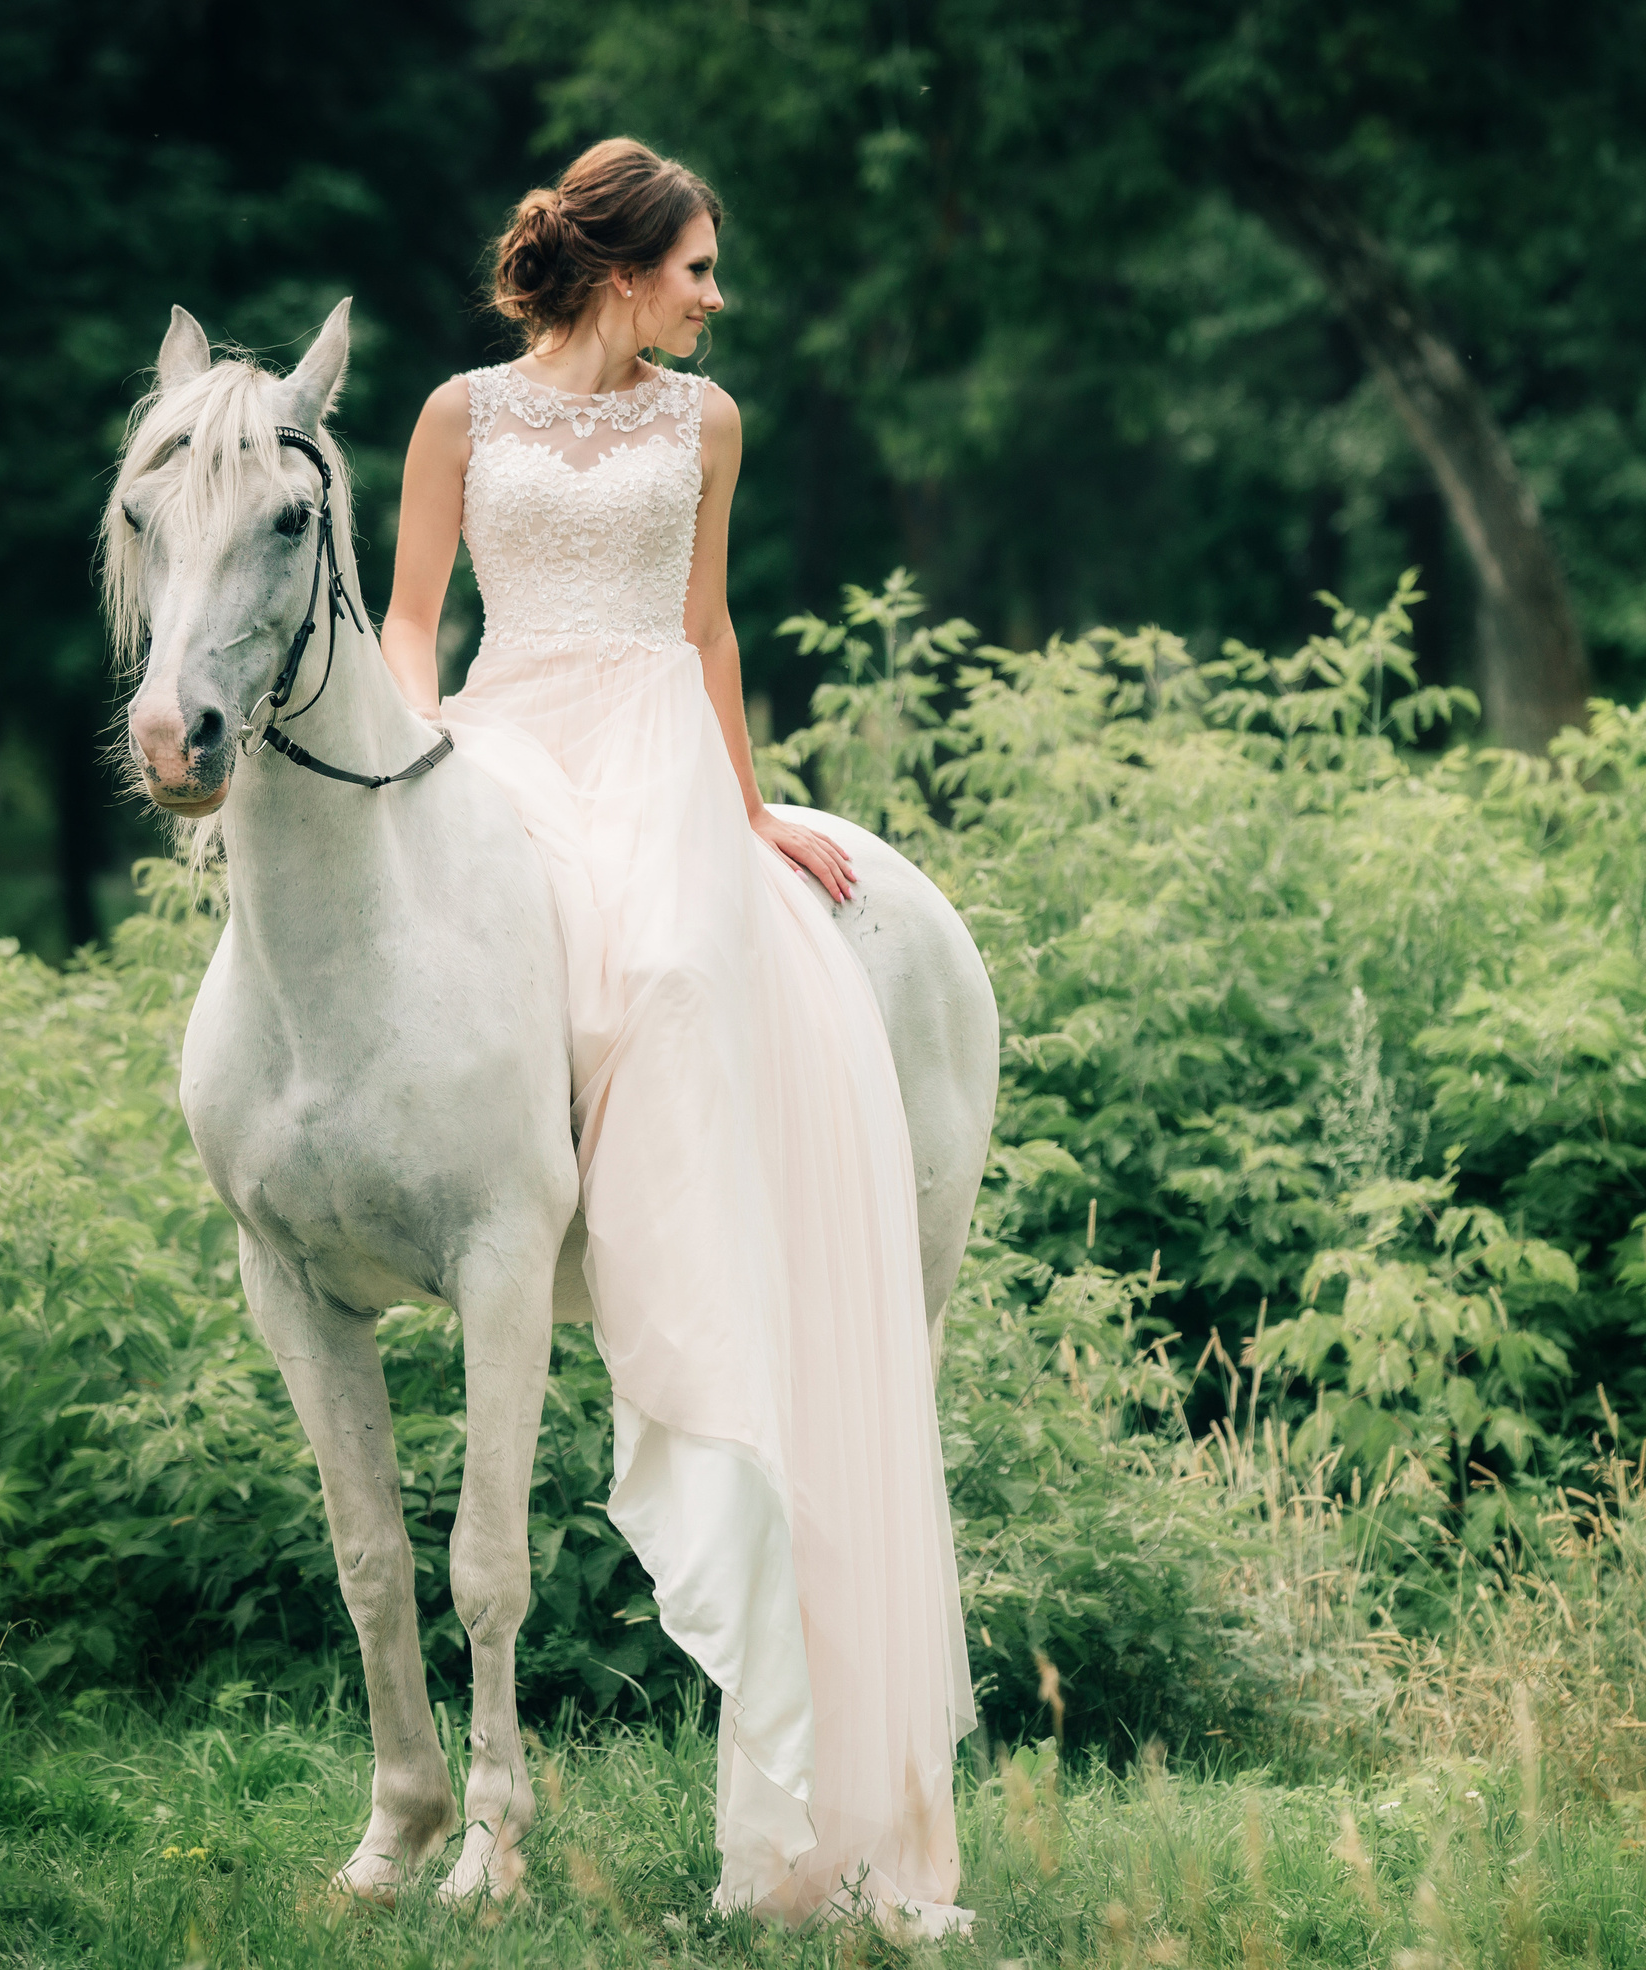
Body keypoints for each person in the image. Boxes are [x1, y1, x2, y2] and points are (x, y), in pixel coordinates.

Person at [379, 136, 977, 1936]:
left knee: (686, 977)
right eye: (700, 266)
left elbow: (708, 628)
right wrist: (431, 754)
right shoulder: (454, 413)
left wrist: (752, 802)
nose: (719, 296)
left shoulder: (702, 424)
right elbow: (412, 620)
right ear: (621, 263)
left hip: (649, 737)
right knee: (512, 972)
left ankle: (676, 1307)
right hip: (501, 736)